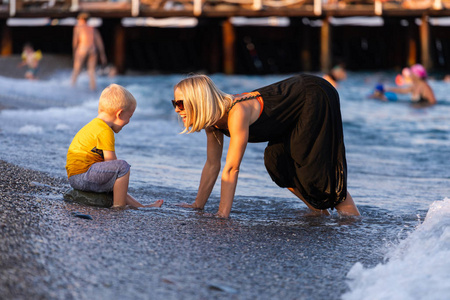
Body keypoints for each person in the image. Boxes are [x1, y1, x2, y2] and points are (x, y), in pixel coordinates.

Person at [173, 74, 360, 218]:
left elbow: (231, 169)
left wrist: (222, 216)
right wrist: (198, 205)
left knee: (314, 170)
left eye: (180, 104)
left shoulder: (236, 112)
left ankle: (352, 220)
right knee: (277, 163)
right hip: (290, 115)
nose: (176, 110)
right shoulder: (212, 123)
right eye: (175, 103)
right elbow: (212, 165)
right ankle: (320, 213)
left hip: (313, 95)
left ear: (199, 101)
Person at [66, 84, 163, 208]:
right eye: (129, 117)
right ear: (120, 114)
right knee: (122, 167)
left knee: (118, 184)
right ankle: (118, 206)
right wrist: (120, 174)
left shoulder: (93, 126)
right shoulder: (105, 130)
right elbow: (111, 163)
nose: (128, 122)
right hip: (84, 176)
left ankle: (141, 207)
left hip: (75, 178)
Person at [71, 12, 107, 91]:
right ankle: (93, 89)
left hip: (82, 49)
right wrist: (102, 55)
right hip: (93, 49)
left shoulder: (78, 28)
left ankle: (72, 87)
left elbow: (75, 42)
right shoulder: (93, 28)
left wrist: (74, 53)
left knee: (76, 69)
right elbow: (99, 43)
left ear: (81, 19)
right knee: (92, 71)